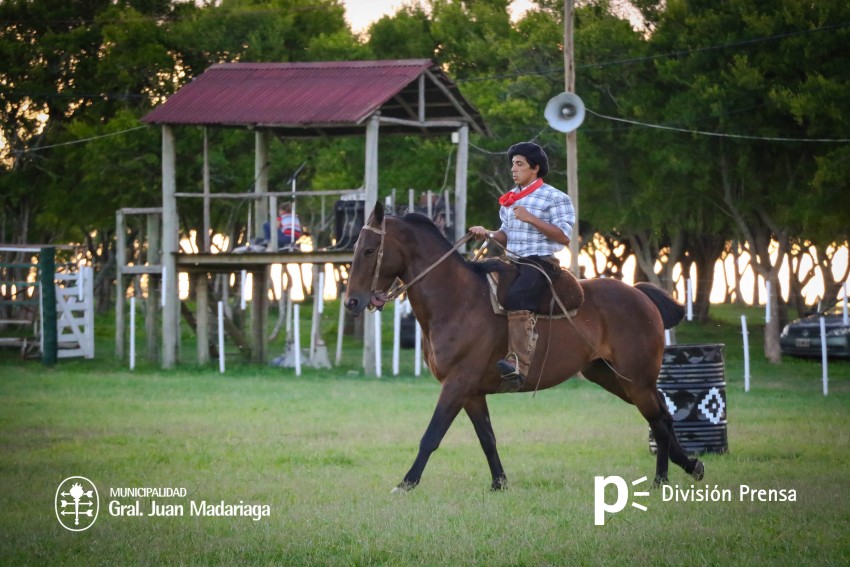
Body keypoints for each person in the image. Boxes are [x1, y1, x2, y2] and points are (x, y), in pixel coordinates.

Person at [469, 141, 575, 392]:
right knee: (476, 279)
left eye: (519, 164)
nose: (513, 169)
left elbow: (564, 236)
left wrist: (531, 218)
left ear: (535, 168)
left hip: (540, 262)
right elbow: (506, 235)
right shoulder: (510, 198)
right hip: (513, 261)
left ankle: (518, 364)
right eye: (513, 164)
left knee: (516, 296)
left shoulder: (556, 197)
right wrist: (488, 234)